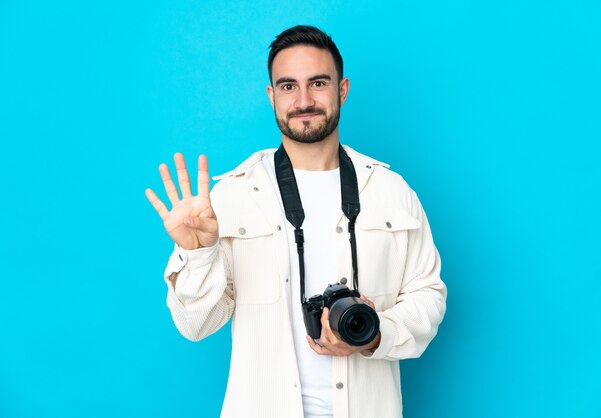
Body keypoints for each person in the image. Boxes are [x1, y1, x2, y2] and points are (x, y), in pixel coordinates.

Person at [145, 25, 447, 418]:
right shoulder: (231, 196)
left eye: (318, 83)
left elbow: (429, 295)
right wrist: (198, 254)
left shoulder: (390, 189)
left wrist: (374, 337)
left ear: (342, 89)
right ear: (271, 96)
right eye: (288, 86)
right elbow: (195, 325)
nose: (303, 100)